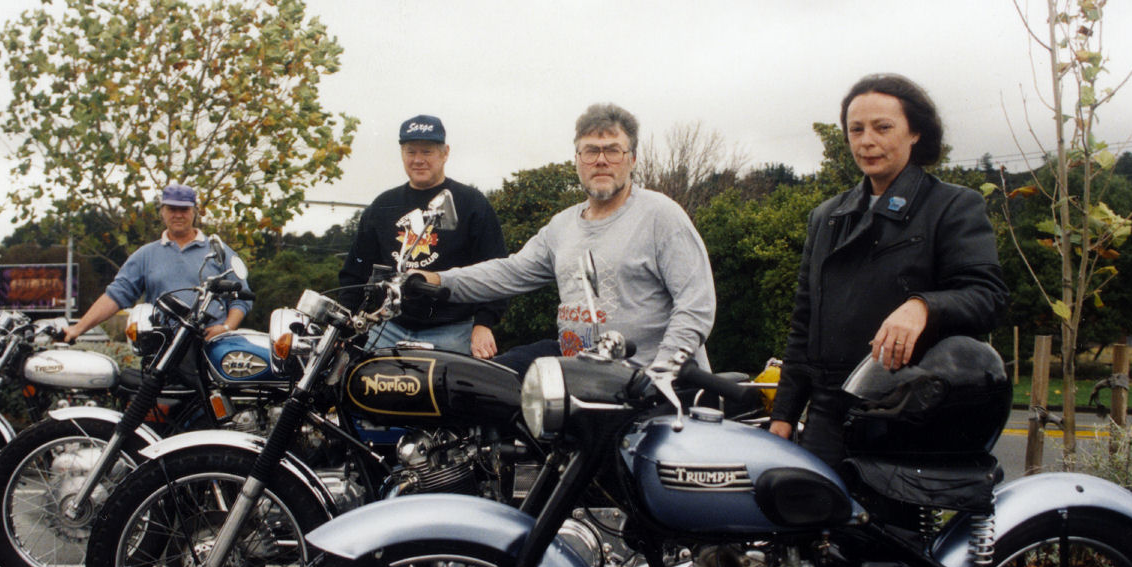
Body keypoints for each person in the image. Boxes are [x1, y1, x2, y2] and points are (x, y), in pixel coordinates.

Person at [768, 74, 1007, 469]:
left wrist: (923, 307)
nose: (866, 141)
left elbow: (988, 296)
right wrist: (785, 414)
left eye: (883, 128)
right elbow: (804, 324)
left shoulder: (952, 206)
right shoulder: (826, 217)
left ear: (915, 133)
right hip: (829, 414)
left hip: (907, 413)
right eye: (856, 129)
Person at [415, 102, 716, 370]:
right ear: (577, 159)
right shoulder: (562, 226)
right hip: (579, 370)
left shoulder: (661, 215)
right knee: (481, 381)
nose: (601, 160)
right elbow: (508, 272)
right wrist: (439, 282)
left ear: (632, 159)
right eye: (590, 151)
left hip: (644, 380)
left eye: (613, 150)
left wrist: (661, 371)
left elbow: (696, 306)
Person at [338, 115, 508, 357]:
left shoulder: (471, 203)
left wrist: (484, 323)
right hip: (387, 327)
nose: (418, 160)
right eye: (410, 152)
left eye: (427, 152)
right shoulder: (383, 205)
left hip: (452, 329)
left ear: (445, 153)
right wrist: (344, 323)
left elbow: (497, 270)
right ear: (402, 154)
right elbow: (354, 273)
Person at [62, 184, 251, 344]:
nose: (178, 215)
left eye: (184, 209)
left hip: (210, 343)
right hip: (161, 348)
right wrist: (77, 329)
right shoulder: (146, 255)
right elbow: (116, 295)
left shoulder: (218, 250)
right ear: (162, 211)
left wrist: (227, 327)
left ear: (194, 211)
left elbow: (242, 297)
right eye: (171, 209)